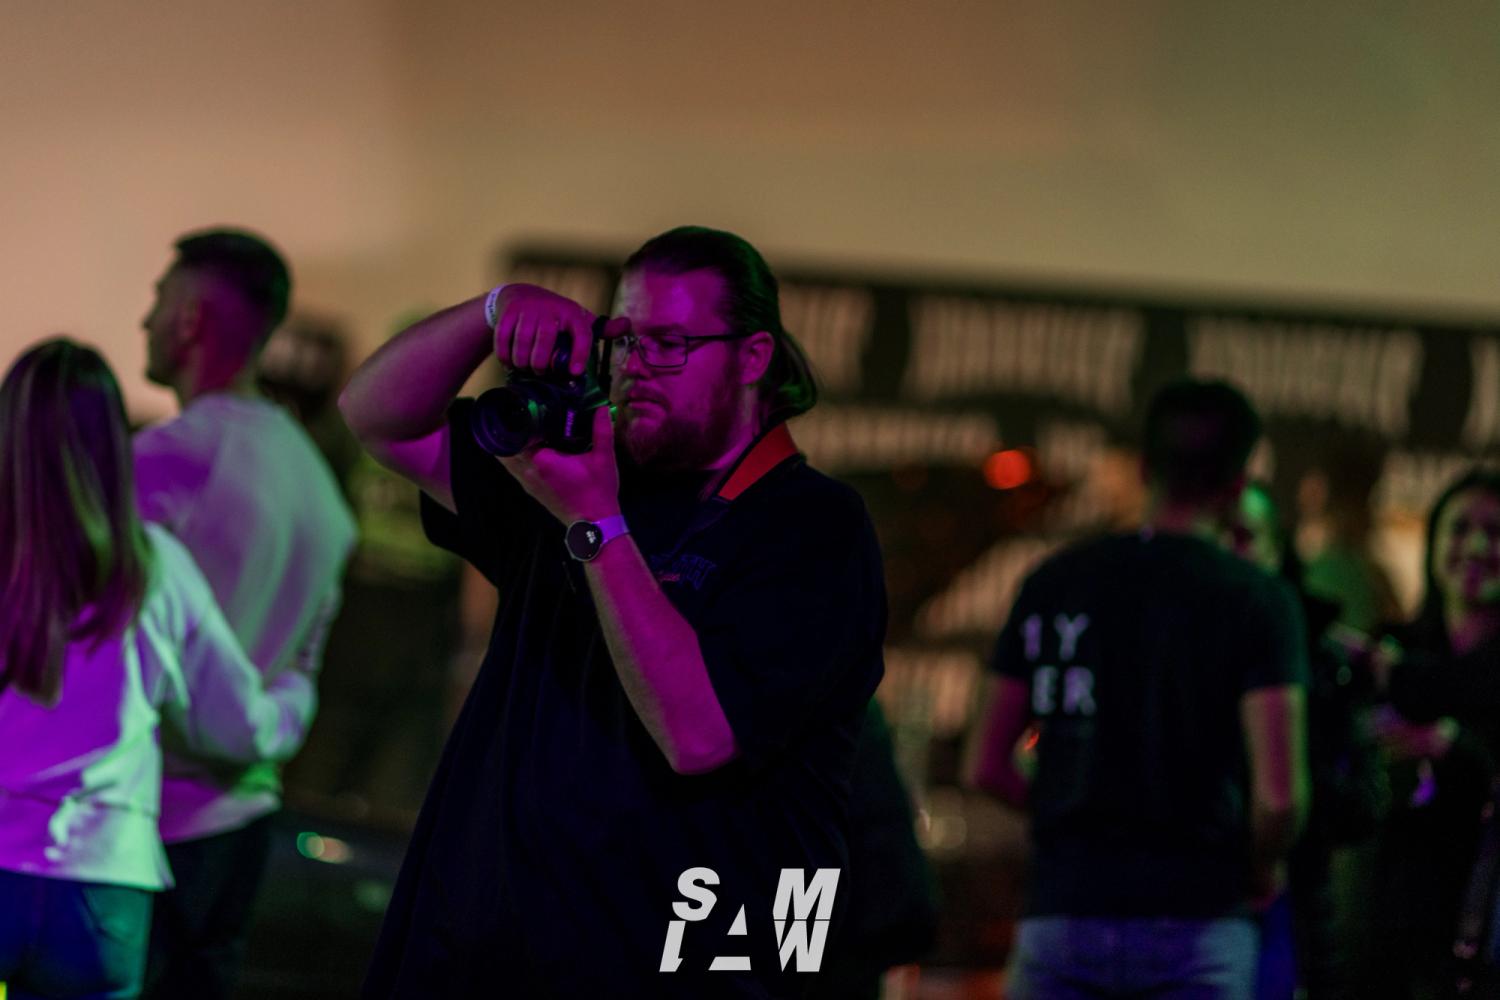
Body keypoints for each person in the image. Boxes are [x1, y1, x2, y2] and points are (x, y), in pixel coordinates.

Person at [341, 225, 887, 997]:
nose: (634, 366)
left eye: (669, 344)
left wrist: (595, 522)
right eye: (624, 340)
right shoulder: (581, 471)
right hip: (489, 955)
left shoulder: (814, 526)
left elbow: (699, 736)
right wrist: (491, 313)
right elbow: (375, 415)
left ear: (753, 357)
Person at [968, 379, 1311, 1000]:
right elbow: (1281, 798)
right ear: (1237, 486)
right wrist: (1257, 865)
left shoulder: (1054, 581)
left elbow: (985, 765)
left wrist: (1067, 815)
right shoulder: (1260, 602)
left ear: (1146, 468)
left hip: (1065, 910)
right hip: (1200, 919)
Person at [0, 339, 311, 1000]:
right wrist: (296, 688)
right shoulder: (158, 568)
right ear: (115, 445)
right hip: (101, 889)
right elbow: (238, 730)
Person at [134, 228, 357, 999]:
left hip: (151, 826)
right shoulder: (316, 481)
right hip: (244, 827)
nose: (145, 320)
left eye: (158, 300)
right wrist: (265, 733)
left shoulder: (167, 458)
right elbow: (305, 666)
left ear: (190, 320)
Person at [1231, 483, 1387, 999]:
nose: (1230, 551)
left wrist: (1288, 785)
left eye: (1245, 535)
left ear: (1277, 549)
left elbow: (1365, 800)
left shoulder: (1322, 658)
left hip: (1292, 916)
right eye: (1217, 533)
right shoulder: (1162, 654)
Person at [1353, 468, 1500, 1000]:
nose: (1476, 547)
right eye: (1460, 529)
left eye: (1495, 533)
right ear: (1434, 540)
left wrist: (1449, 745)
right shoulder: (1393, 649)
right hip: (1382, 922)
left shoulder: (1395, 668)